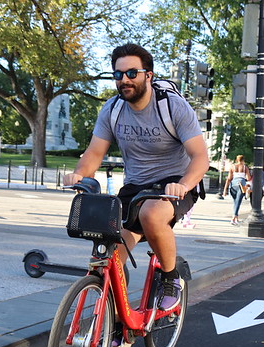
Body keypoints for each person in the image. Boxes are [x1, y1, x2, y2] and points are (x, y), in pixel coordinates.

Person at [63, 43, 209, 312]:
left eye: (132, 73)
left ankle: (170, 278)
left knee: (151, 215)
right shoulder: (113, 109)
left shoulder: (172, 107)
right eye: (118, 75)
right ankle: (117, 323)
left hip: (176, 183)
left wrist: (184, 185)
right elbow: (95, 152)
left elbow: (200, 157)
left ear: (148, 75)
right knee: (109, 254)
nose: (124, 80)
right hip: (135, 187)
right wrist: (79, 175)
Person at [223, 155, 250, 225]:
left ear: (236, 160)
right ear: (243, 160)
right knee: (238, 202)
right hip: (241, 185)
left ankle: (236, 218)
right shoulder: (245, 167)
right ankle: (233, 218)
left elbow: (229, 178)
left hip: (233, 184)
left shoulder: (232, 167)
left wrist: (225, 190)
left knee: (235, 201)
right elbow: (248, 178)